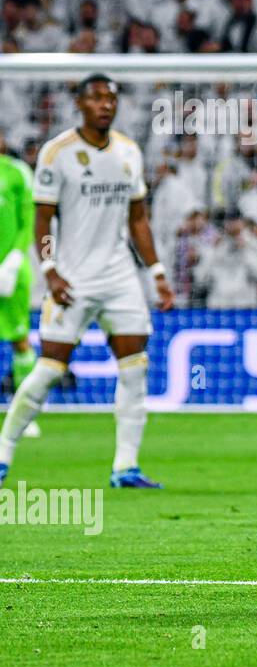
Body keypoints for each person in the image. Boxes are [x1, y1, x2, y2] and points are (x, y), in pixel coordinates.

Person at [0, 75, 175, 488]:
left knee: (135, 368)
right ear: (79, 103)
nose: (105, 105)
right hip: (73, 278)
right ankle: (4, 451)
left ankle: (125, 467)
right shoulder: (57, 153)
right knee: (48, 369)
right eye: (96, 98)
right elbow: (42, 220)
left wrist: (157, 273)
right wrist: (50, 271)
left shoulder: (129, 152)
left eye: (111, 98)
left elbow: (138, 220)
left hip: (119, 277)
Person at [0, 145, 39, 438]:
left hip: (10, 270)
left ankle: (24, 413)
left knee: (20, 338)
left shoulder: (17, 172)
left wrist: (14, 258)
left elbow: (29, 219)